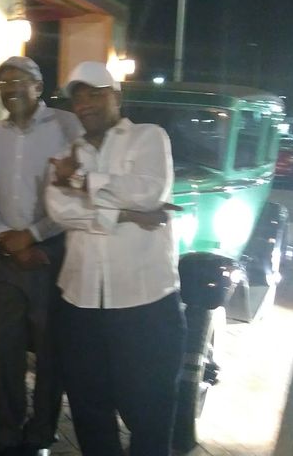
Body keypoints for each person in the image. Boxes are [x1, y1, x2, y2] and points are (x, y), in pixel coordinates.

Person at [45, 61, 186, 456]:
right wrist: (125, 214)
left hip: (145, 302)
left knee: (151, 409)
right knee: (89, 408)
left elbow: (149, 191)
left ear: (116, 96)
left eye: (95, 93)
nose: (85, 103)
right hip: (81, 304)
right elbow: (59, 211)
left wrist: (81, 182)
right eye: (78, 97)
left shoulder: (148, 137)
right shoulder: (66, 154)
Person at [0, 56, 83, 456]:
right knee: (3, 350)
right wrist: (4, 237)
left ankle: (41, 434)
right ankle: (7, 431)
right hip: (5, 256)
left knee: (50, 349)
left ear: (39, 86)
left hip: (52, 254)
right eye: (3, 83)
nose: (11, 88)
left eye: (19, 80)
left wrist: (33, 236)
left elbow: (77, 193)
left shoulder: (67, 127)